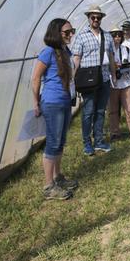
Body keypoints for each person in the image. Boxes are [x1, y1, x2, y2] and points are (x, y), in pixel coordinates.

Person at [32, 18, 78, 200]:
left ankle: (57, 177)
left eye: (71, 31)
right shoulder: (48, 52)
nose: (70, 35)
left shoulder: (65, 52)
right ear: (56, 33)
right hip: (52, 103)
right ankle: (48, 185)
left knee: (60, 141)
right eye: (67, 32)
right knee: (53, 142)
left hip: (64, 101)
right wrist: (36, 103)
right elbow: (35, 79)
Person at [71, 5, 116, 156]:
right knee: (88, 112)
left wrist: (113, 75)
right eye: (93, 17)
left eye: (98, 17)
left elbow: (111, 57)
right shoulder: (82, 36)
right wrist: (73, 78)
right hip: (88, 80)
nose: (96, 19)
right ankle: (87, 143)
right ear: (88, 18)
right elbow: (76, 58)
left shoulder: (107, 36)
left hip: (103, 78)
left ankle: (99, 141)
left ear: (102, 19)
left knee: (100, 111)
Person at [108, 25, 130, 142]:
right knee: (113, 110)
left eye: (119, 35)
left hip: (126, 82)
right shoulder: (108, 50)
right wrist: (113, 67)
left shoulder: (125, 49)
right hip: (113, 83)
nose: (117, 37)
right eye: (114, 35)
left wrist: (129, 68)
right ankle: (115, 133)